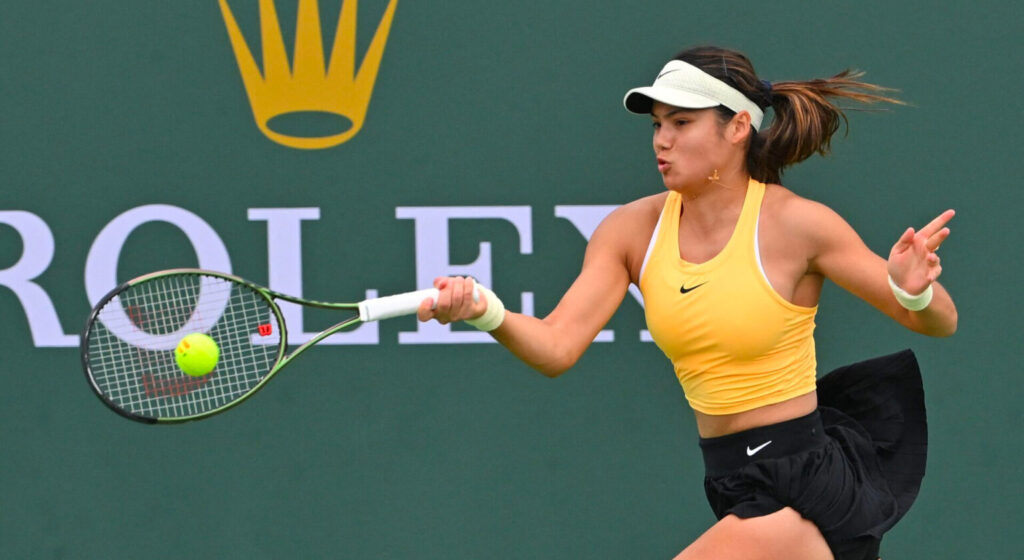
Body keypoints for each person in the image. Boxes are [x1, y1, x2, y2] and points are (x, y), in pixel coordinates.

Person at [417, 45, 957, 560]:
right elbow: (557, 347)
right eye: (657, 124)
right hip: (730, 482)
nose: (662, 141)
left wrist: (913, 289)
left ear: (738, 127)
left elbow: (938, 320)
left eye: (681, 122)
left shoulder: (797, 224)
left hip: (805, 490)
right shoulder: (629, 231)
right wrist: (484, 310)